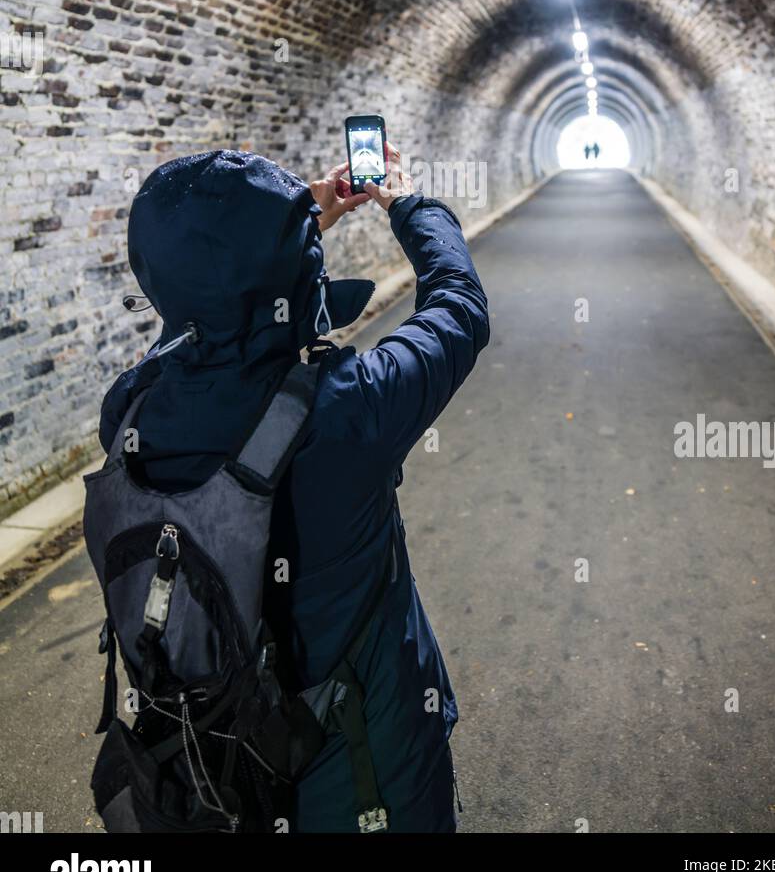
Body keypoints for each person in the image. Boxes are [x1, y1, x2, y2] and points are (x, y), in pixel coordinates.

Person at [98, 143, 489, 833]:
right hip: (365, 768)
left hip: (212, 766)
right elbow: (457, 306)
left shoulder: (129, 407)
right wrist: (406, 205)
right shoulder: (348, 405)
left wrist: (288, 224)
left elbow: (197, 324)